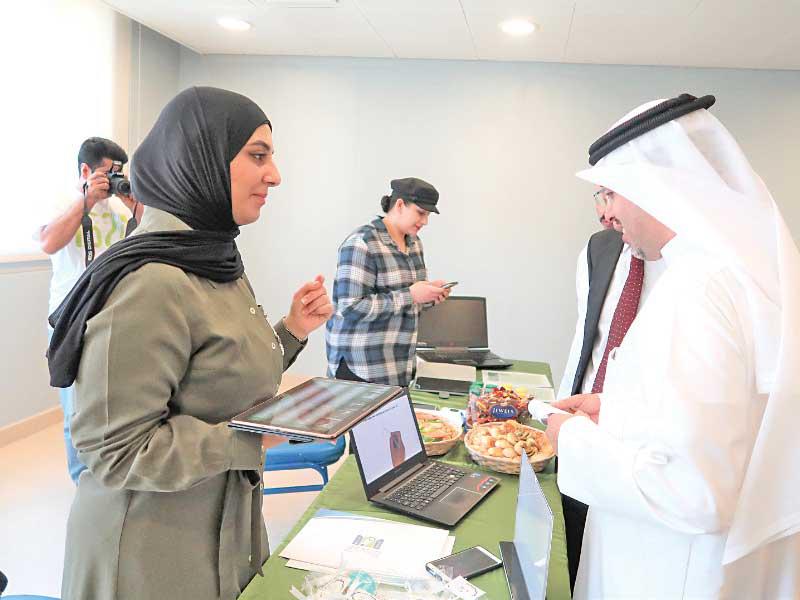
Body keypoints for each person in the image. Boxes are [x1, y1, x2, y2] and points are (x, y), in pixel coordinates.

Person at [47, 87, 333, 599]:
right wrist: (254, 439)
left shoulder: (210, 257)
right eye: (258, 156)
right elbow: (116, 449)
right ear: (200, 160)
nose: (275, 175)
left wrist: (292, 330)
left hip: (217, 525)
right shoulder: (152, 280)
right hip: (146, 555)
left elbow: (223, 368)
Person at [545, 93, 800, 598]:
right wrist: (614, 410)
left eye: (610, 193)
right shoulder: (731, 273)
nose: (606, 215)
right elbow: (722, 420)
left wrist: (570, 439)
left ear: (650, 184)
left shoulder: (700, 289)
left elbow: (695, 492)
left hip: (665, 571)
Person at [556, 190, 667, 590]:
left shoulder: (686, 267)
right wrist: (562, 412)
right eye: (598, 196)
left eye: (613, 195)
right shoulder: (598, 249)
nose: (605, 214)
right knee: (572, 554)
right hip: (583, 424)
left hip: (638, 450)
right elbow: (586, 339)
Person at [38, 137, 142, 484]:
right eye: (108, 174)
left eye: (118, 174)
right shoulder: (62, 201)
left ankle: (110, 474)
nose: (113, 181)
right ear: (85, 170)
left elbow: (153, 238)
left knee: (114, 403)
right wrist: (86, 202)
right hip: (69, 319)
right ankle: (82, 481)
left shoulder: (120, 208)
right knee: (75, 410)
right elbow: (49, 243)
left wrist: (135, 203)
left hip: (111, 316)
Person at [325, 177, 450, 386]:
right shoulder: (362, 243)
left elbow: (409, 303)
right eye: (421, 213)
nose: (425, 221)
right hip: (361, 367)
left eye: (428, 215)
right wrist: (411, 295)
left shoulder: (414, 243)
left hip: (398, 367)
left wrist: (430, 295)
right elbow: (351, 307)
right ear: (400, 205)